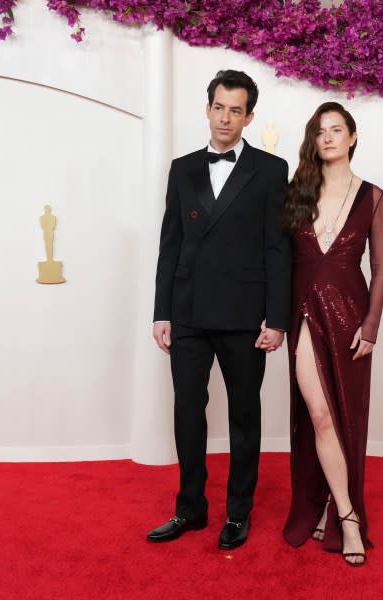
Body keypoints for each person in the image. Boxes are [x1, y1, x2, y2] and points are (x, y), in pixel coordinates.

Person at [147, 70, 291, 550]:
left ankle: (237, 513)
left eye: (236, 110)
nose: (226, 117)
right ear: (206, 109)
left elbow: (277, 248)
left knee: (244, 417)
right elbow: (170, 243)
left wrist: (278, 317)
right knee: (188, 413)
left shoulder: (271, 170)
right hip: (186, 313)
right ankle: (189, 509)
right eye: (219, 107)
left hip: (245, 316)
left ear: (249, 116)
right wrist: (161, 310)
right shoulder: (182, 168)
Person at [281, 102, 383, 566]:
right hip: (303, 311)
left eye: (336, 129)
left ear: (352, 136)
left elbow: (382, 267)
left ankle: (336, 503)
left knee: (346, 415)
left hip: (350, 317)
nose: (328, 138)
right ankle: (348, 517)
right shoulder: (296, 193)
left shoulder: (373, 196)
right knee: (319, 415)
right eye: (320, 131)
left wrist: (371, 325)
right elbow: (278, 258)